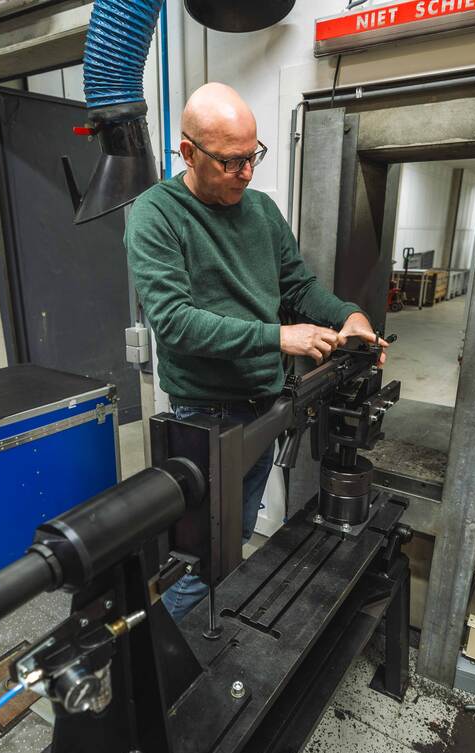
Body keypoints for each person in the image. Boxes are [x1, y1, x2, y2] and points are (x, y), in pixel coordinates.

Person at [125, 82, 388, 623]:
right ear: (189, 153)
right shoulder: (156, 215)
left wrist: (348, 315)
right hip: (204, 416)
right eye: (231, 162)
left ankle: (197, 646)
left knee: (236, 537)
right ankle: (160, 663)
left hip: (264, 404)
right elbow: (174, 323)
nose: (246, 173)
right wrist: (278, 337)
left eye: (253, 156)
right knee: (199, 560)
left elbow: (297, 286)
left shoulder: (262, 211)